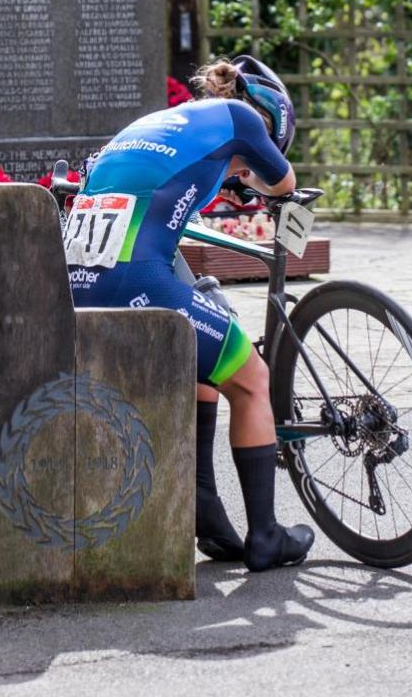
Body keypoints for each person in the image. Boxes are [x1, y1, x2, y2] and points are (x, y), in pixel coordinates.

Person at [64, 54, 315, 571]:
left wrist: (223, 177)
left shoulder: (157, 123)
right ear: (267, 125)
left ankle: (202, 501)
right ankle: (266, 535)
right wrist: (256, 180)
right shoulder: (243, 120)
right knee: (250, 379)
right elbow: (283, 186)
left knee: (204, 362)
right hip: (136, 282)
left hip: (78, 283)